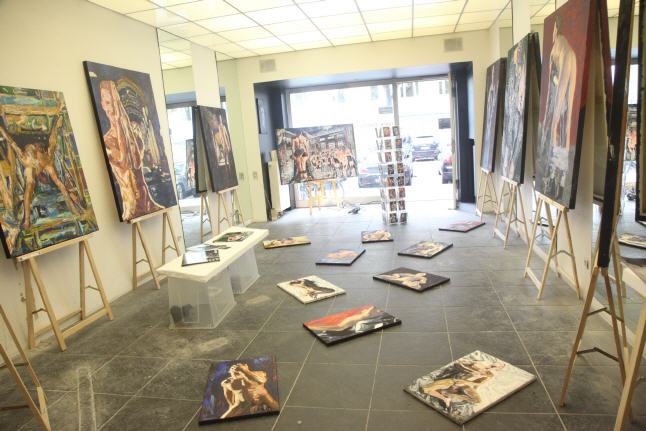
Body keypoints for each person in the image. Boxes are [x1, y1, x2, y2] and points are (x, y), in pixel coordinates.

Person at [0, 114, 80, 229]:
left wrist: (55, 124)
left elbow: (12, 142)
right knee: (36, 186)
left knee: (32, 187)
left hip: (32, 147)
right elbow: (51, 139)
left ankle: (27, 221)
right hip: (33, 146)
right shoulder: (42, 161)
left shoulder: (34, 163)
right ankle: (27, 221)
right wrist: (55, 124)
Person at [99, 80, 162, 220]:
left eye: (114, 102)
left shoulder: (133, 135)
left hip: (147, 202)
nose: (112, 109)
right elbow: (124, 163)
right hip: (131, 207)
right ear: (102, 104)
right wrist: (119, 126)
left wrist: (126, 129)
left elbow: (137, 162)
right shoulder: (107, 140)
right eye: (108, 103)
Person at [539, 16, 577, 200]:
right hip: (559, 109)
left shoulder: (563, 51)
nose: (553, 33)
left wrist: (552, 122)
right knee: (558, 140)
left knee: (559, 141)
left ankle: (558, 183)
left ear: (557, 29)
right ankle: (556, 181)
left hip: (560, 109)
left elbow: (561, 89)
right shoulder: (561, 51)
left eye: (554, 29)